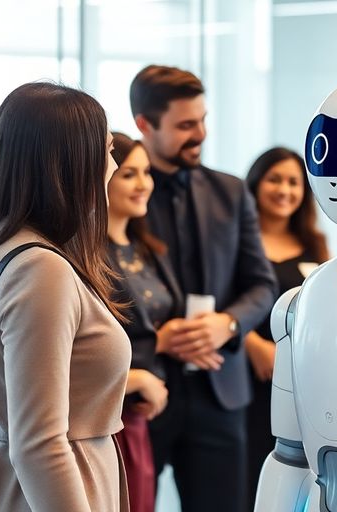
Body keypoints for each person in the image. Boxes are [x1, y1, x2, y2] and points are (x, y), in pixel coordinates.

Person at [0, 82, 130, 511]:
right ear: (70, 163)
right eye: (107, 149)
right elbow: (40, 445)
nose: (114, 166)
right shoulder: (39, 269)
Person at [130, 64, 278, 512]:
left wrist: (227, 325)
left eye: (203, 120)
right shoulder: (117, 192)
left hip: (220, 387)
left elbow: (262, 284)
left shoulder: (230, 192)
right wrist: (157, 339)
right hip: (142, 391)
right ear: (144, 125)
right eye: (185, 125)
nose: (200, 134)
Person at [106, 132, 211, 512]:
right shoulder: (89, 255)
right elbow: (89, 344)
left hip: (153, 404)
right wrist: (160, 343)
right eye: (129, 174)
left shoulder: (146, 246)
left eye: (146, 173)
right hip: (113, 410)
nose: (143, 184)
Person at [241, 147, 330, 510]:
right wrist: (254, 346)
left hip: (297, 383)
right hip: (245, 378)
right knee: (247, 477)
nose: (284, 190)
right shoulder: (238, 241)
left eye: (294, 182)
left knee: (294, 481)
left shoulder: (314, 244)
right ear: (256, 185)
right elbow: (219, 300)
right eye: (274, 179)